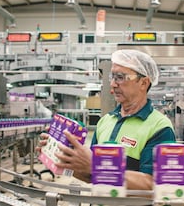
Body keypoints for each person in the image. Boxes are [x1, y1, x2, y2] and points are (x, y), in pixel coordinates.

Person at [36, 49, 176, 190]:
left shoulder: (159, 127)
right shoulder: (106, 121)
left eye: (120, 77)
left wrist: (97, 165)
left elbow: (153, 184)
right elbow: (91, 176)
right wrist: (64, 159)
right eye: (112, 77)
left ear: (143, 83)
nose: (113, 84)